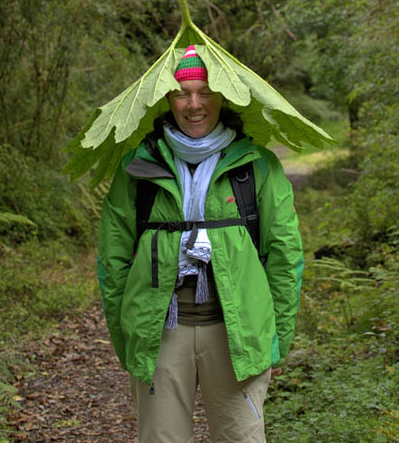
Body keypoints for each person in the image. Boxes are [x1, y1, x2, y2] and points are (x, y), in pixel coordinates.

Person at [97, 45, 304, 442]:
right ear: (167, 99)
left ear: (223, 96)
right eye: (181, 92)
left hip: (236, 334)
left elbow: (285, 258)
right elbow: (113, 260)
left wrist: (274, 339)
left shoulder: (257, 167)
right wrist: (128, 338)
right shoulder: (138, 169)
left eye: (205, 91)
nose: (194, 104)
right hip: (160, 333)